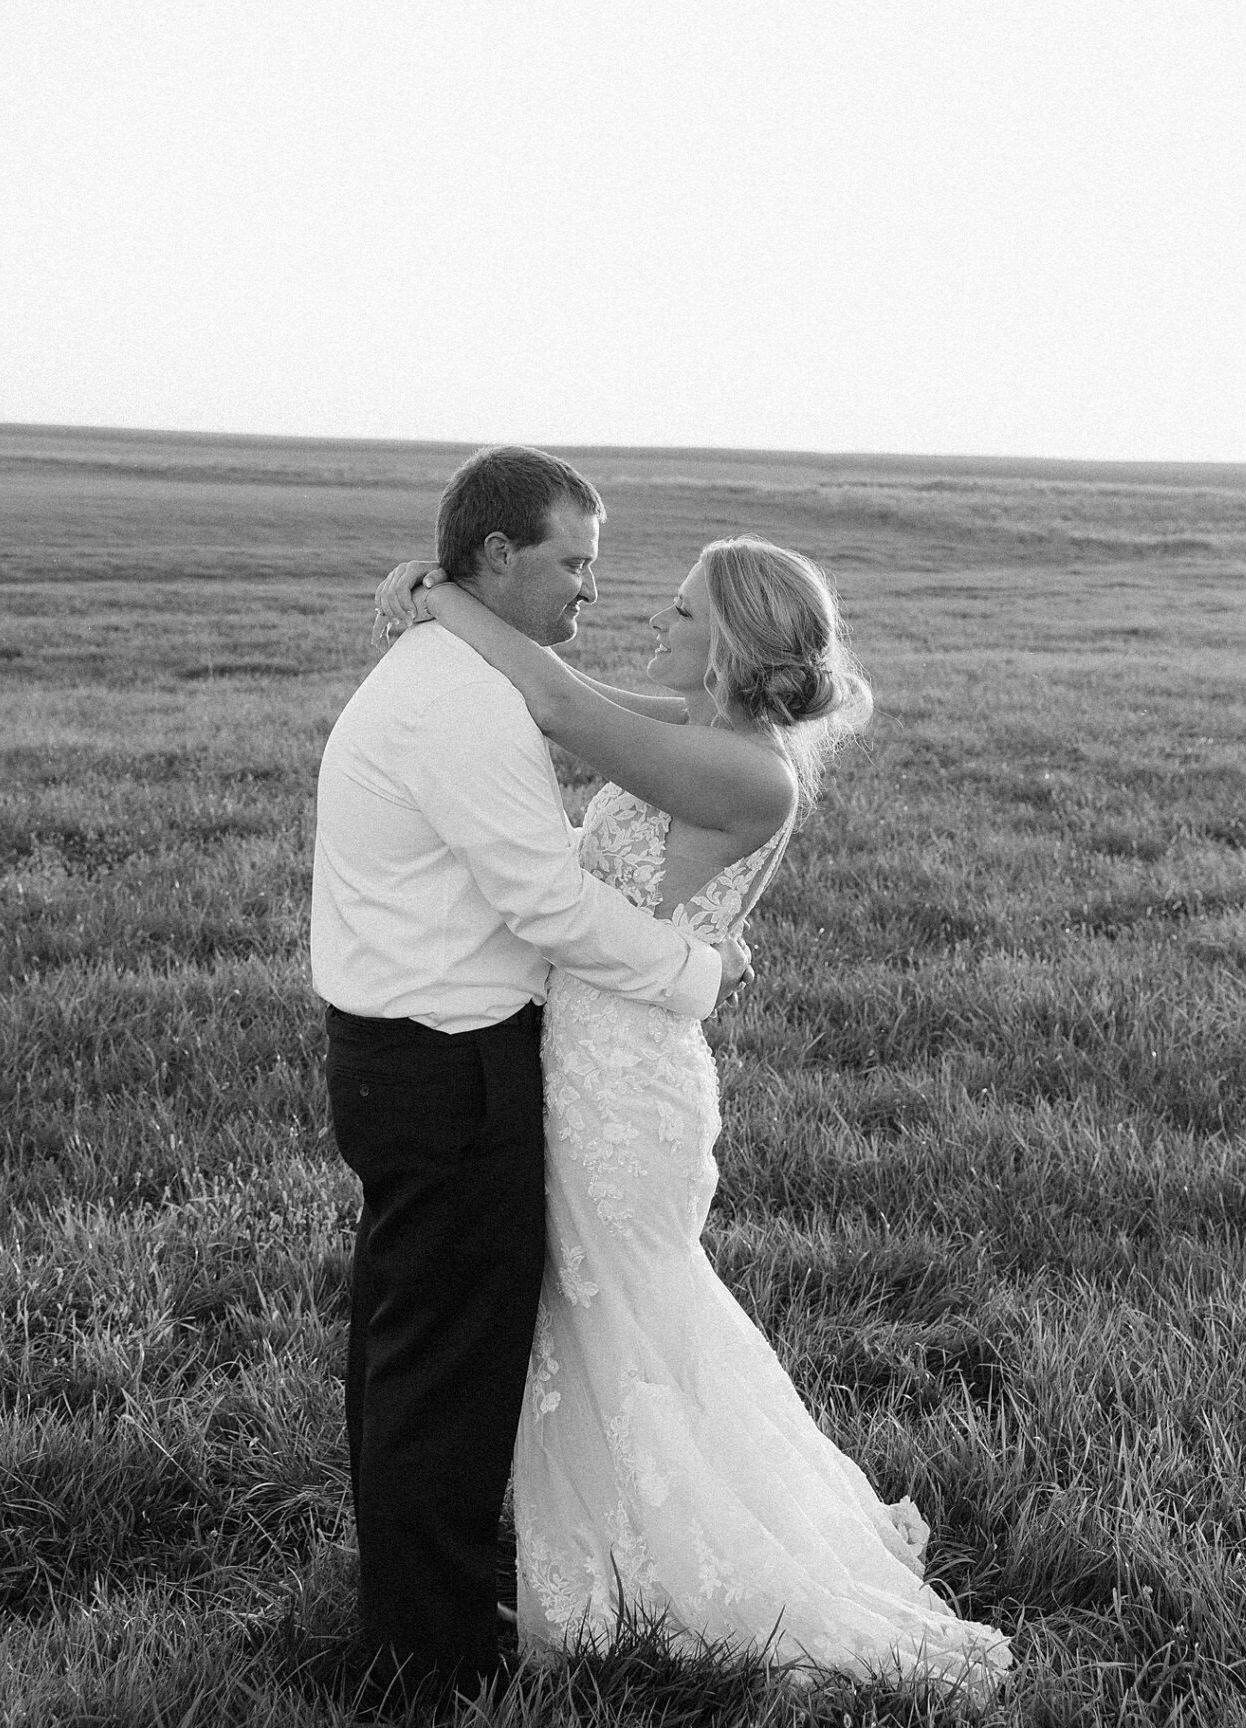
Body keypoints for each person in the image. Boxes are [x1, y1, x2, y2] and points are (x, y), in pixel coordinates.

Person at [373, 528, 1013, 1704]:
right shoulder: (704, 731)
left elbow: (561, 702)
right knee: (602, 1324)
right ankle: (611, 1565)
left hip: (622, 1084)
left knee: (631, 1325)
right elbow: (582, 693)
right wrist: (465, 612)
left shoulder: (748, 769)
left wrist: (438, 592)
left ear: (731, 639)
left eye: (678, 610)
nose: (652, 622)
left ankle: (701, 1578)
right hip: (584, 1057)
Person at [310, 446, 752, 1709]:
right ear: (498, 556)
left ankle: (413, 1609)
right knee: (449, 1368)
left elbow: (567, 744)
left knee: (412, 1350)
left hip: (415, 1054)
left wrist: (436, 598)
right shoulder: (454, 699)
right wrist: (687, 971)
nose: (590, 592)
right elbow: (546, 896)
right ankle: (424, 1660)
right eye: (572, 563)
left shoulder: (459, 668)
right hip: (448, 1072)